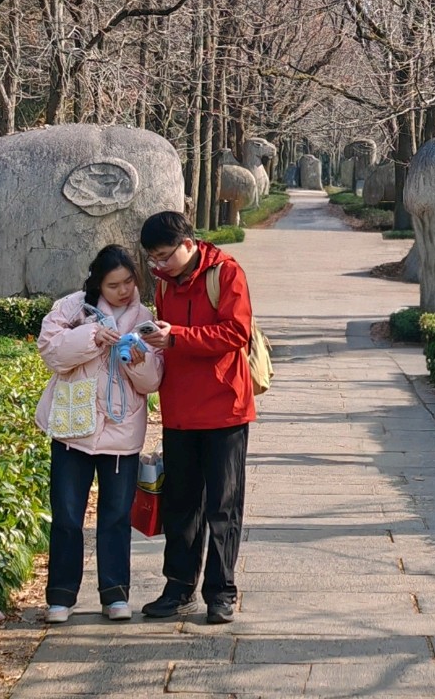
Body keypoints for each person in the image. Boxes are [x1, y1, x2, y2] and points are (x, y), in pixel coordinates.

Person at [35, 244, 165, 624]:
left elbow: (153, 381)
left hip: (122, 432)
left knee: (115, 517)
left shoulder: (145, 319)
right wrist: (91, 337)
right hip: (73, 429)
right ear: (97, 284)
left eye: (128, 282)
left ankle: (115, 594)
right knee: (67, 515)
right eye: (113, 285)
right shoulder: (72, 308)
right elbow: (50, 352)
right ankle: (61, 597)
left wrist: (137, 363)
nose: (123, 291)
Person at [138, 210, 256, 625]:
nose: (160, 264)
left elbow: (237, 332)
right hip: (179, 411)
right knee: (181, 504)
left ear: (188, 243)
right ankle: (178, 588)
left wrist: (176, 337)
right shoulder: (163, 283)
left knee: (223, 507)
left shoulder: (225, 273)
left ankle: (221, 592)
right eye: (153, 258)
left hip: (224, 408)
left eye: (165, 255)